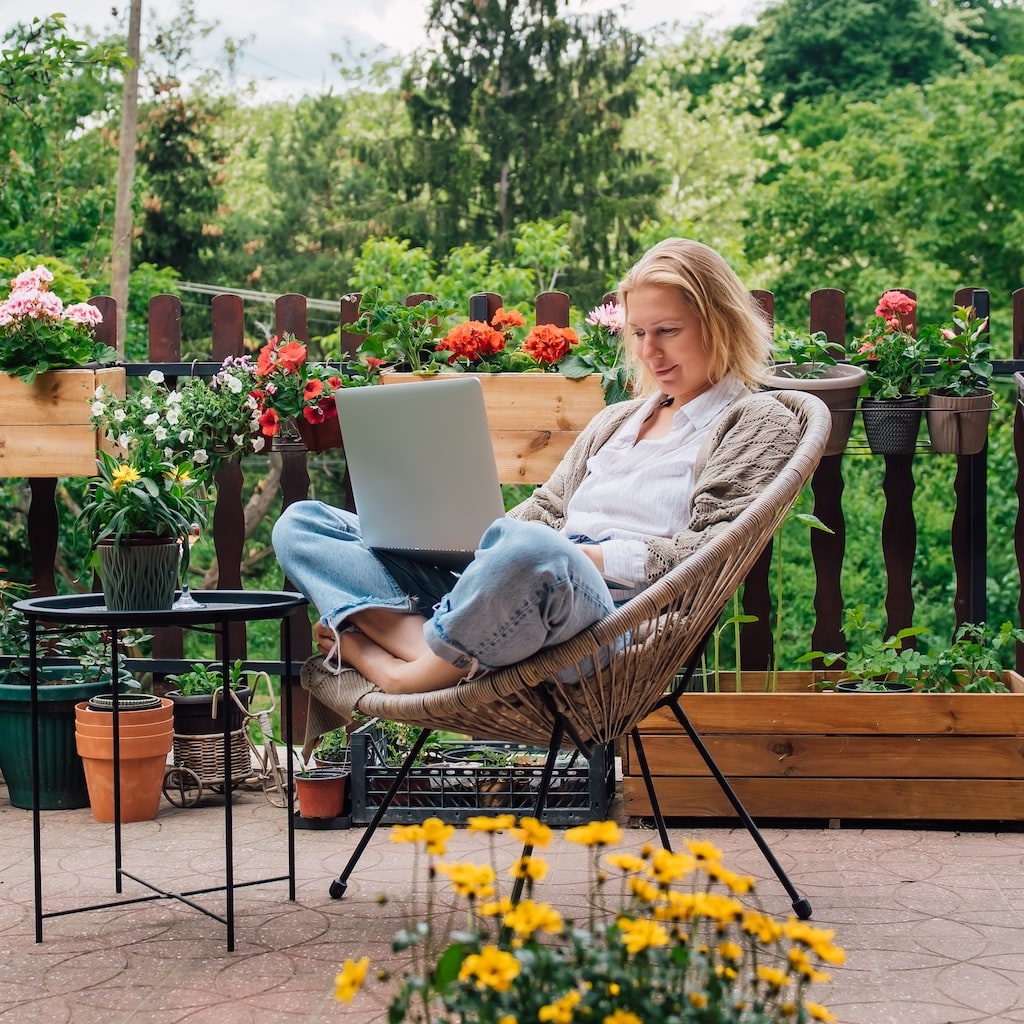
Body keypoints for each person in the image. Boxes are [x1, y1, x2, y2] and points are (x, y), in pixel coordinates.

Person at [272, 237, 802, 720]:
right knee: (304, 524)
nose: (648, 352)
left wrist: (577, 556)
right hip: (518, 588)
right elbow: (544, 511)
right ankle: (448, 642)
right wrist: (469, 542)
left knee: (533, 551)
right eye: (638, 333)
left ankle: (395, 666)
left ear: (721, 321)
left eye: (667, 331)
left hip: (604, 618)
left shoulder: (754, 420)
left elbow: (713, 551)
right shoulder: (620, 420)